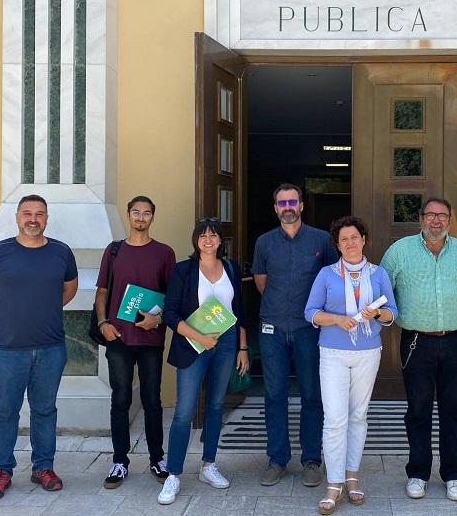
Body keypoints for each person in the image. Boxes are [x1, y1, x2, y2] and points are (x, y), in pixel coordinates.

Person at [380, 197, 457, 502]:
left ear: (450, 220)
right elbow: (382, 293)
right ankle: (418, 473)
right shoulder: (399, 252)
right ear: (420, 219)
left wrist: (452, 312)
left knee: (454, 410)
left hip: (455, 340)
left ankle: (454, 474)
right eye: (431, 215)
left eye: (443, 216)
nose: (436, 221)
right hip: (417, 342)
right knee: (418, 409)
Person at [0, 195, 78, 501]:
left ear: (47, 218)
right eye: (27, 213)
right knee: (5, 412)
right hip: (7, 350)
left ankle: (43, 467)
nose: (33, 218)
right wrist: (0, 319)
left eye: (40, 214)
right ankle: (1, 471)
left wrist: (45, 310)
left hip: (50, 349)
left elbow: (68, 289)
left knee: (45, 410)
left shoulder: (61, 252)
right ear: (17, 217)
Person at [305, 216, 398, 515]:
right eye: (344, 239)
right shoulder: (326, 274)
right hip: (332, 352)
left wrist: (377, 314)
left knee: (358, 416)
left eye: (354, 237)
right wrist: (336, 319)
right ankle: (334, 484)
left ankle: (352, 476)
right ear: (337, 244)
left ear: (364, 239)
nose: (350, 243)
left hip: (368, 352)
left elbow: (393, 314)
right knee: (335, 418)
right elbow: (310, 312)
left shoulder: (379, 273)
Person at [252, 183, 339, 487]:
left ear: (301, 205)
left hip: (309, 330)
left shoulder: (321, 240)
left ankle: (312, 460)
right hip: (272, 328)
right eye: (281, 203)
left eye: (292, 201)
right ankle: (277, 459)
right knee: (274, 395)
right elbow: (261, 282)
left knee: (312, 395)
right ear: (275, 208)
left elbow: (331, 280)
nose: (287, 207)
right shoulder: (264, 243)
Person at [157, 217, 248, 505]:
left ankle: (209, 465)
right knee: (184, 411)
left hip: (226, 344)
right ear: (196, 240)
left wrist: (243, 348)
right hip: (191, 346)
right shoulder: (184, 270)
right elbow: (170, 313)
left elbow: (239, 311)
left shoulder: (231, 269)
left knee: (216, 405)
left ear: (221, 241)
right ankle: (173, 474)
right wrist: (199, 337)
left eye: (214, 235)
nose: (208, 239)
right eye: (203, 235)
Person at [94, 195, 176, 488]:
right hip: (117, 337)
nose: (141, 217)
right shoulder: (114, 250)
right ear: (129, 215)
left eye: (147, 213)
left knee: (152, 401)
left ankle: (157, 458)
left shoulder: (164, 253)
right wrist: (103, 323)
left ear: (153, 217)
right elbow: (102, 290)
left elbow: (173, 298)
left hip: (151, 338)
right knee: (120, 399)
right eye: (136, 212)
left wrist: (160, 318)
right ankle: (120, 461)